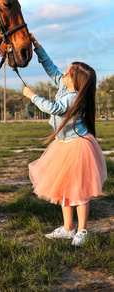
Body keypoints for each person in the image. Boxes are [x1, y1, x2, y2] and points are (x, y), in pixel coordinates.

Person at [22, 33, 107, 247]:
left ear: (75, 81)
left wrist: (32, 96)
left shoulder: (71, 98)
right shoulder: (64, 85)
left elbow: (54, 109)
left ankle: (82, 230)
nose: (64, 74)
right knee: (64, 190)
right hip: (63, 145)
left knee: (78, 191)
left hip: (77, 147)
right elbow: (50, 67)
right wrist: (37, 47)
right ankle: (68, 228)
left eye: (68, 73)